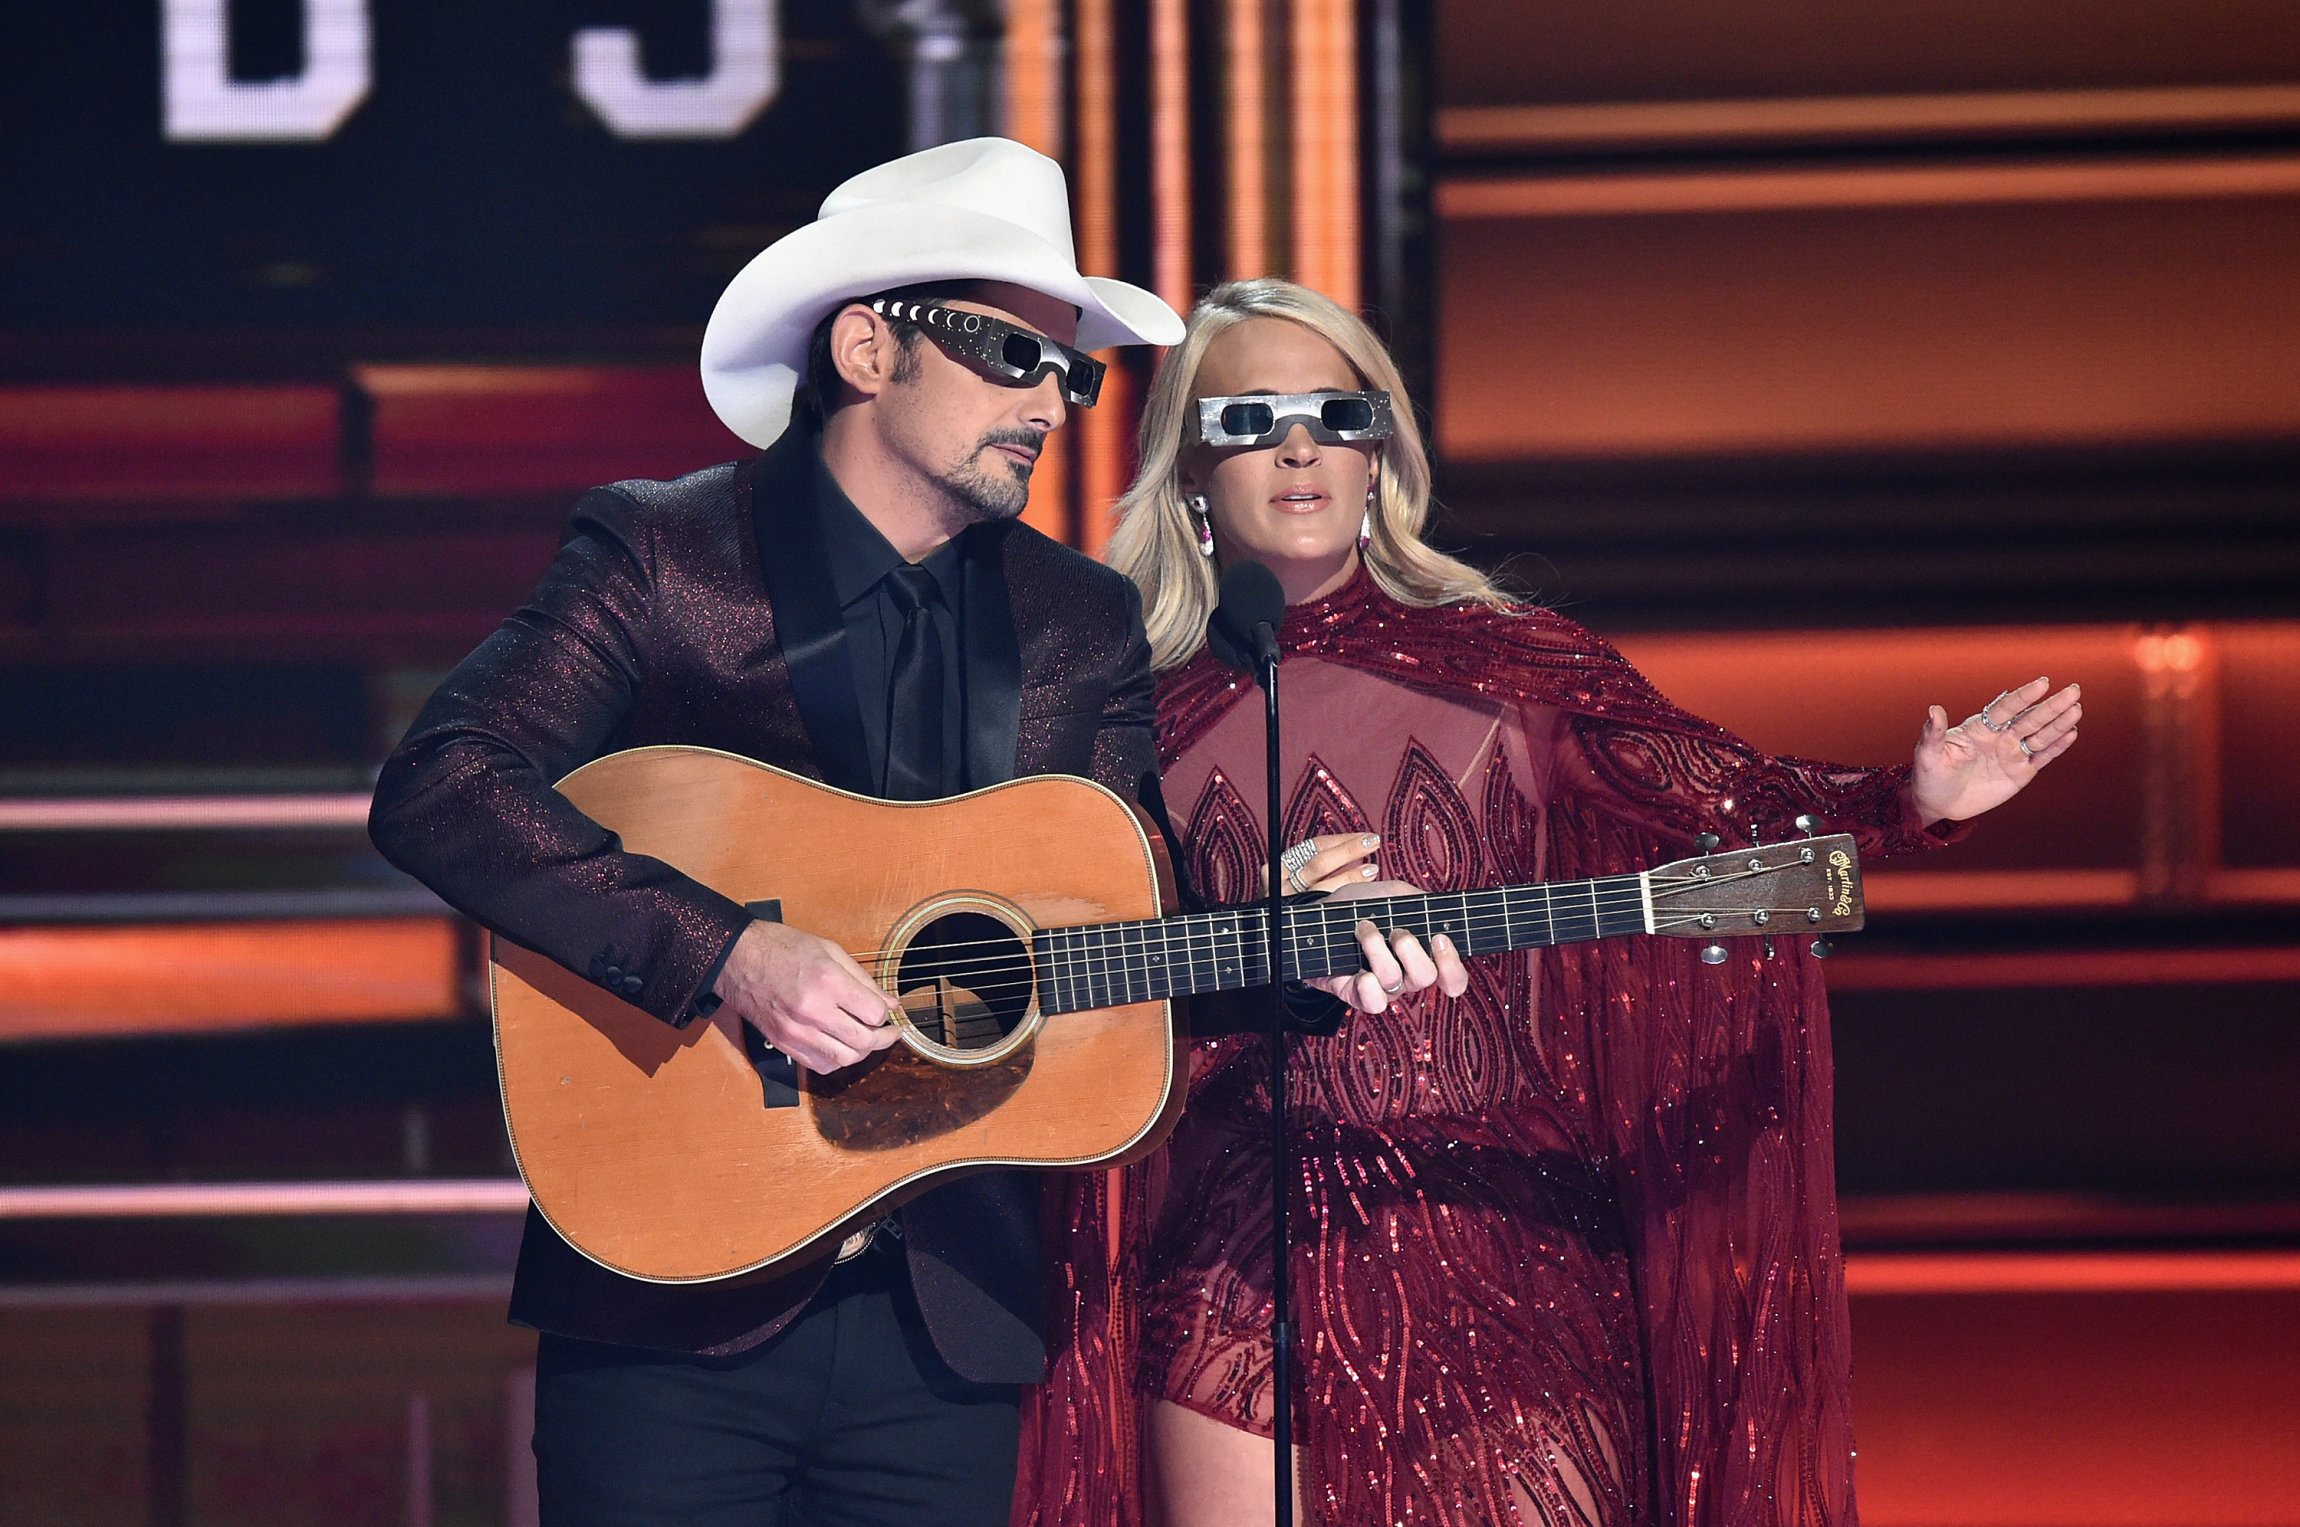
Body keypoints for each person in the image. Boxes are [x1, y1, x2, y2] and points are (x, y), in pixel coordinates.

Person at [368, 146, 1451, 1527]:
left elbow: (1130, 924)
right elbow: (444, 780)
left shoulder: (1078, 621)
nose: (1050, 402)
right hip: (674, 1300)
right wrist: (726, 951)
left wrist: (1296, 942)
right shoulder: (663, 555)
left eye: (1072, 372)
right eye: (1012, 353)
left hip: (950, 1321)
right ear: (869, 346)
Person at [1015, 278, 2081, 1527]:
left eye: (1333, 413)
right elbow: (1074, 980)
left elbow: (1735, 813)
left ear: (1380, 457)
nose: (1297, 446)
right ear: (1190, 469)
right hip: (1236, 1250)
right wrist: (1240, 937)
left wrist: (1907, 796)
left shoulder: (1513, 663)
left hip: (1504, 1232)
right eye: (1249, 419)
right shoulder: (1119, 717)